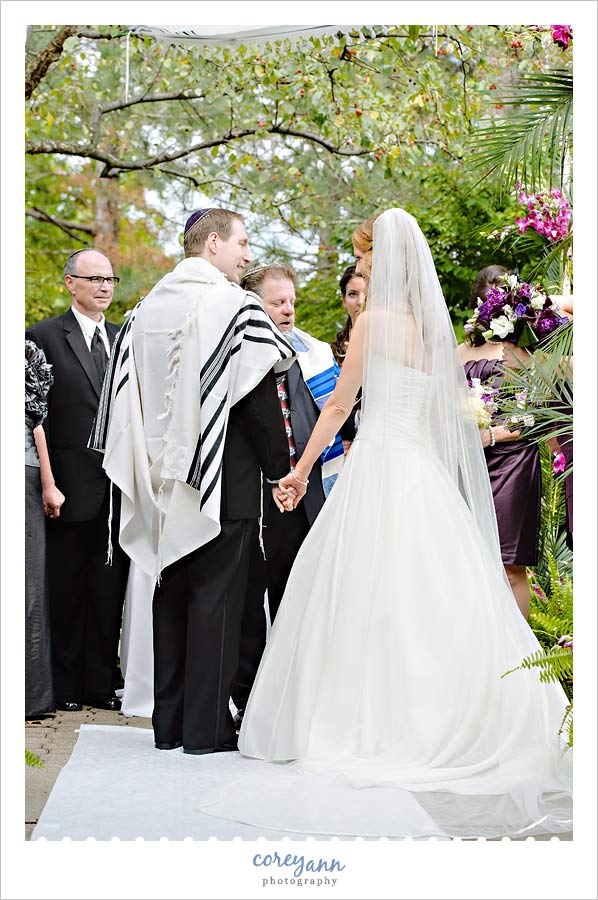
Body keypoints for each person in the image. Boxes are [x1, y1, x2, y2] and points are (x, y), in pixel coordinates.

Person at [197, 209, 571, 839]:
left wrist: (297, 471)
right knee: (430, 599)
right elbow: (446, 418)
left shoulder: (370, 324)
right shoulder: (434, 333)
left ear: (386, 260)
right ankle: (444, 716)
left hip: (377, 469)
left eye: (366, 257)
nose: (363, 267)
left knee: (363, 597)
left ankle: (369, 725)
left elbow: (340, 404)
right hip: (420, 474)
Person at [90, 208, 295, 754]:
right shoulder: (233, 307)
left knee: (171, 592)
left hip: (159, 478)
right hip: (222, 477)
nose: (247, 255)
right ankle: (207, 731)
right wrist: (282, 469)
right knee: (218, 600)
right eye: (242, 243)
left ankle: (170, 724)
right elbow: (256, 403)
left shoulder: (141, 311)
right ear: (211, 244)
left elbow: (122, 402)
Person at [231, 262, 344, 726]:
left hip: (307, 495)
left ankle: (295, 701)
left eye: (291, 301)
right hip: (257, 495)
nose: (288, 309)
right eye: (277, 302)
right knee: (249, 603)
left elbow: (340, 418)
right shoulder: (238, 353)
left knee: (296, 598)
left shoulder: (315, 354)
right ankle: (249, 697)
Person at [25, 249, 130, 712]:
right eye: (94, 279)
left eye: (110, 279)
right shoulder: (43, 336)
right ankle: (65, 686)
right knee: (66, 588)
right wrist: (49, 480)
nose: (105, 286)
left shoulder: (123, 337)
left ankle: (100, 682)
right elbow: (36, 414)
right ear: (71, 283)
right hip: (65, 483)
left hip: (117, 486)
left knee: (109, 589)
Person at [457, 264, 542, 618]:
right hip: (467, 461)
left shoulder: (524, 351)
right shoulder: (461, 350)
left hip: (513, 460)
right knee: (468, 564)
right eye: (488, 298)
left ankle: (519, 657)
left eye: (502, 298)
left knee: (509, 565)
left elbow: (538, 411)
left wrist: (489, 435)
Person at [25, 340, 63, 718]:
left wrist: (49, 483)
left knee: (27, 585)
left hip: (23, 473)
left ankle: (30, 697)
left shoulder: (27, 354)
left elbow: (36, 424)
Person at [331, 264, 366, 449]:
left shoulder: (387, 347)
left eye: (365, 292)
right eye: (352, 294)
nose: (360, 301)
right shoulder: (331, 352)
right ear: (344, 299)